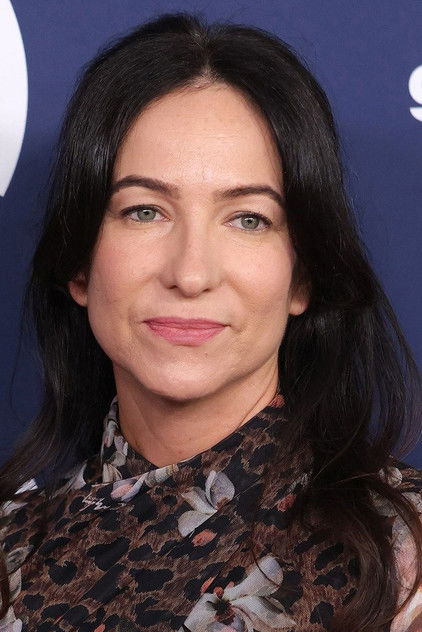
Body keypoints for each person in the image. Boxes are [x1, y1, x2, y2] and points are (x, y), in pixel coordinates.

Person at [0, 11, 421, 632]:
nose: (191, 273)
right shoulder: (11, 553)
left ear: (302, 276)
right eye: (144, 211)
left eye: (248, 219)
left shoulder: (403, 553)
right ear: (80, 265)